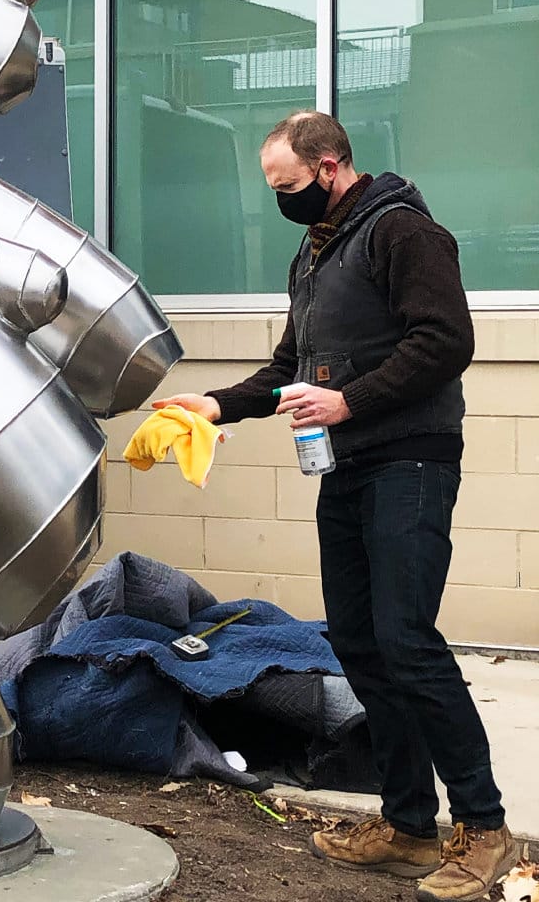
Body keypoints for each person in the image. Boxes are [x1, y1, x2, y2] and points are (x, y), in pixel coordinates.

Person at [155, 111, 519, 902]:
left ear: (327, 168)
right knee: (358, 641)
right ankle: (408, 825)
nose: (277, 200)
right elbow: (290, 367)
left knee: (407, 641)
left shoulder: (404, 233)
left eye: (286, 186)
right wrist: (215, 405)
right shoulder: (315, 253)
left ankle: (484, 830)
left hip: (410, 462)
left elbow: (445, 340)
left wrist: (348, 402)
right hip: (348, 470)